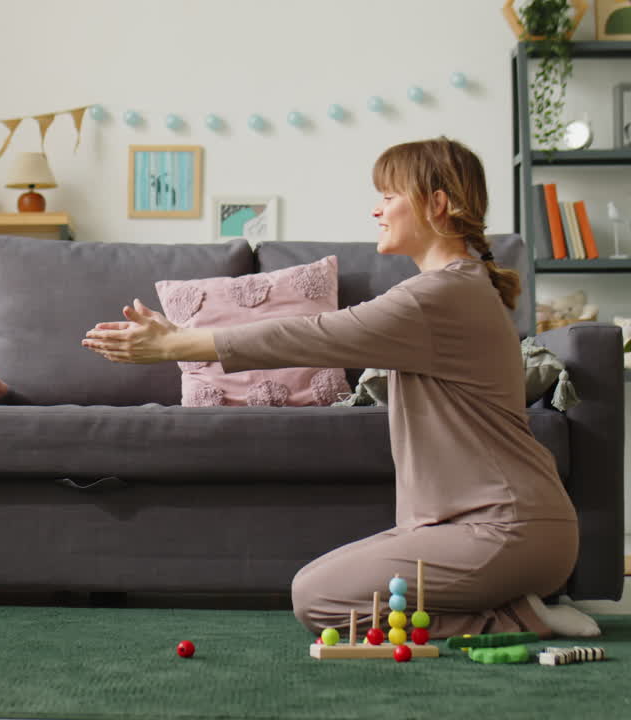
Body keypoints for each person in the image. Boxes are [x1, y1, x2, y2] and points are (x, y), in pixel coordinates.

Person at [82, 137, 599, 640]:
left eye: (389, 197)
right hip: (488, 528)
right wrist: (178, 339)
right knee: (333, 584)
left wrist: (177, 344)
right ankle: (514, 601)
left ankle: (516, 619)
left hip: (507, 529)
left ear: (437, 204)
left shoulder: (441, 294)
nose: (377, 210)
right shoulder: (458, 288)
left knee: (318, 596)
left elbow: (311, 334)